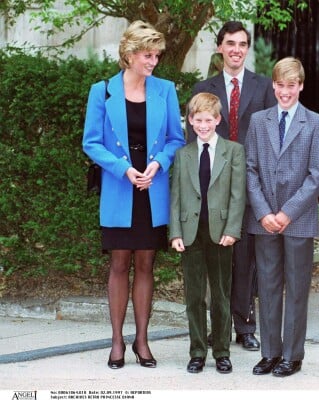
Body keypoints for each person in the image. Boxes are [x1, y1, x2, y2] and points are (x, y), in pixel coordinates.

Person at [82, 20, 185, 369]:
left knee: (146, 264)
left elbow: (176, 138)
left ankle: (142, 340)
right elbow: (91, 142)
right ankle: (116, 341)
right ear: (128, 55)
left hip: (152, 187)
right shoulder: (102, 91)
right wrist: (123, 169)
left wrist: (157, 164)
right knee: (118, 263)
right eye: (147, 54)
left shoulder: (166, 89)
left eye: (156, 55)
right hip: (119, 186)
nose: (153, 61)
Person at [189, 21, 277, 351]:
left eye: (242, 44)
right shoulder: (203, 87)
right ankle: (219, 327)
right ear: (219, 47)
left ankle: (244, 326)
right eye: (230, 43)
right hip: (213, 186)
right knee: (216, 258)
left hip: (252, 187)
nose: (236, 49)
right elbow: (192, 142)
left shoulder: (264, 86)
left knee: (245, 259)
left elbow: (271, 139)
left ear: (247, 48)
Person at [245, 57, 319, 377]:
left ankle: (292, 355)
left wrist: (286, 213)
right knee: (267, 286)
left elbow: (317, 174)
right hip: (264, 219)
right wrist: (265, 212)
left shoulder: (316, 123)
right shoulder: (258, 121)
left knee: (296, 287)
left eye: (291, 86)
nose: (285, 92)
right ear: (273, 85)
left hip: (298, 219)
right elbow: (250, 169)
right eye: (280, 85)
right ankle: (270, 352)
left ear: (301, 86)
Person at [169, 93, 246, 374]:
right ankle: (197, 351)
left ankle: (222, 351)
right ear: (190, 121)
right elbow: (175, 196)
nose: (203, 125)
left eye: (208, 120)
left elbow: (238, 196)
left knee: (221, 295)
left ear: (218, 120)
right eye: (197, 120)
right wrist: (175, 232)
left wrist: (232, 230)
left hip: (221, 233)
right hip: (191, 233)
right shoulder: (183, 154)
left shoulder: (233, 151)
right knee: (194, 295)